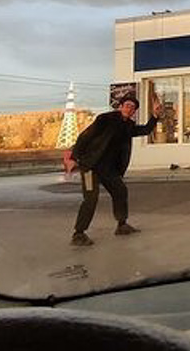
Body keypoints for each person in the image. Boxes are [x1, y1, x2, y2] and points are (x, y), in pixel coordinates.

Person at [69, 92, 161, 245]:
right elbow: (85, 136)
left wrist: (155, 116)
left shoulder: (128, 126)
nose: (129, 109)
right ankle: (78, 234)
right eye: (127, 106)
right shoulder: (105, 119)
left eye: (133, 108)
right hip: (91, 166)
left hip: (109, 170)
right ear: (120, 107)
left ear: (134, 112)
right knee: (91, 199)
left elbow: (145, 130)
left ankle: (122, 225)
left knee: (120, 191)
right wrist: (73, 157)